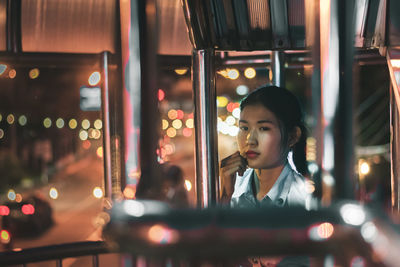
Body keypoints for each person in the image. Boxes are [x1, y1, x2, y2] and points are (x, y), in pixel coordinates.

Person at [219, 85, 313, 266]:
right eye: (244, 128)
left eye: (263, 129)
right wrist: (224, 196)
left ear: (293, 137)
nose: (250, 140)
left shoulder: (306, 201)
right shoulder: (233, 191)